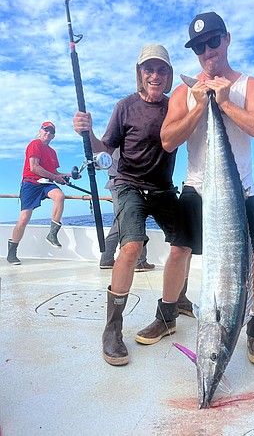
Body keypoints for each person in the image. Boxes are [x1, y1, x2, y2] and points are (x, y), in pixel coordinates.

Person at [159, 12, 254, 366]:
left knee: (249, 258)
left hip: (239, 191)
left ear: (226, 39)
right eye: (199, 47)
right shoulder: (184, 91)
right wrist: (199, 105)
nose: (207, 51)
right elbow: (167, 140)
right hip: (197, 186)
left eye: (212, 41)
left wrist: (223, 103)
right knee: (179, 251)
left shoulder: (249, 86)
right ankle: (165, 316)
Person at [73, 44, 193, 366]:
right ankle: (112, 329)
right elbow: (106, 147)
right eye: (148, 69)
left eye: (161, 70)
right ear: (140, 73)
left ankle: (172, 307)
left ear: (168, 76)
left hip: (163, 188)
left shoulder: (175, 106)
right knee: (131, 247)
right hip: (128, 185)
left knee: (184, 244)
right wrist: (89, 132)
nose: (155, 75)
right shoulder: (125, 106)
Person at [6, 122, 70, 265]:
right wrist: (55, 178)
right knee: (23, 219)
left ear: (54, 136)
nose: (48, 133)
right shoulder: (34, 144)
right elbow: (34, 167)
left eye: (51, 131)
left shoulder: (53, 152)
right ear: (40, 131)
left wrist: (69, 175)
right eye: (45, 130)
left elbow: (55, 173)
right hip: (31, 183)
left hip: (46, 183)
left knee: (60, 196)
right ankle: (12, 252)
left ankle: (52, 234)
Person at [98, 148, 155, 272]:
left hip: (117, 183)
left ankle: (107, 259)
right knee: (134, 218)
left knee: (120, 220)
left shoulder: (114, 142)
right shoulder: (125, 141)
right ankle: (140, 262)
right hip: (126, 184)